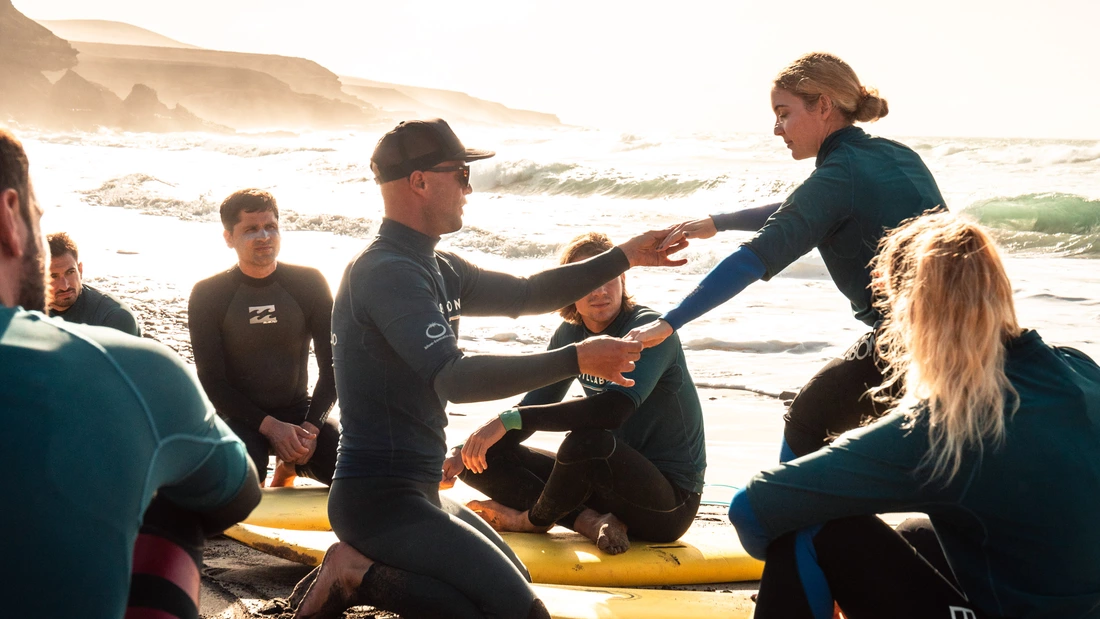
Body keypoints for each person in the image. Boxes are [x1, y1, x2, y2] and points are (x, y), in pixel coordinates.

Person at [292, 118, 688, 619]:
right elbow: (453, 377)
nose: (468, 186)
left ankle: (358, 571)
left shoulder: (439, 266)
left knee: (513, 581)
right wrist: (576, 358)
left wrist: (623, 256)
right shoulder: (386, 271)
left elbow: (528, 294)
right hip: (378, 497)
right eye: (458, 173)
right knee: (520, 613)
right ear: (419, 181)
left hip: (415, 490)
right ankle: (354, 574)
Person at [728, 213, 1100, 618]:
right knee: (917, 536)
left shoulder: (947, 425)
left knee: (810, 527)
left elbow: (753, 507)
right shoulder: (1081, 370)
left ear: (910, 310)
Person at [627, 52, 945, 461]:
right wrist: (717, 222)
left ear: (824, 106)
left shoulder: (837, 175)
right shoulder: (895, 154)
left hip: (908, 340)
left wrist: (669, 323)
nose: (777, 129)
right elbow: (808, 206)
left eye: (784, 113)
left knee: (807, 419)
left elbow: (751, 260)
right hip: (961, 327)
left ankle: (787, 516)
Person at [0, 127, 261, 619]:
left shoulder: (112, 318)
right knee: (172, 498)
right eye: (36, 219)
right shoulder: (132, 369)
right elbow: (235, 493)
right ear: (9, 219)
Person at [445, 231, 706, 556]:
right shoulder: (570, 334)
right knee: (479, 459)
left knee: (585, 440)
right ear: (569, 288)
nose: (599, 290)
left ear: (623, 278)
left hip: (668, 504)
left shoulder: (648, 329)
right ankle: (589, 521)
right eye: (588, 281)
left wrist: (508, 419)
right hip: (606, 486)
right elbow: (535, 405)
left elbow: (611, 411)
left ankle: (533, 520)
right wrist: (468, 447)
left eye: (608, 278)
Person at [189, 188, 339, 487]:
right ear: (229, 237)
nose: (264, 237)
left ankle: (289, 468)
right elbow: (212, 382)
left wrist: (311, 427)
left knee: (348, 470)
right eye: (251, 229)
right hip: (238, 417)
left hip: (298, 412)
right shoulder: (208, 294)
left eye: (271, 226)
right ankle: (262, 468)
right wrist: (271, 428)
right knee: (244, 478)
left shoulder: (309, 283)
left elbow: (334, 367)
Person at [47, 231, 142, 336]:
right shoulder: (28, 314)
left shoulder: (114, 316)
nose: (65, 286)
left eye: (70, 272)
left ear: (80, 270)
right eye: (53, 276)